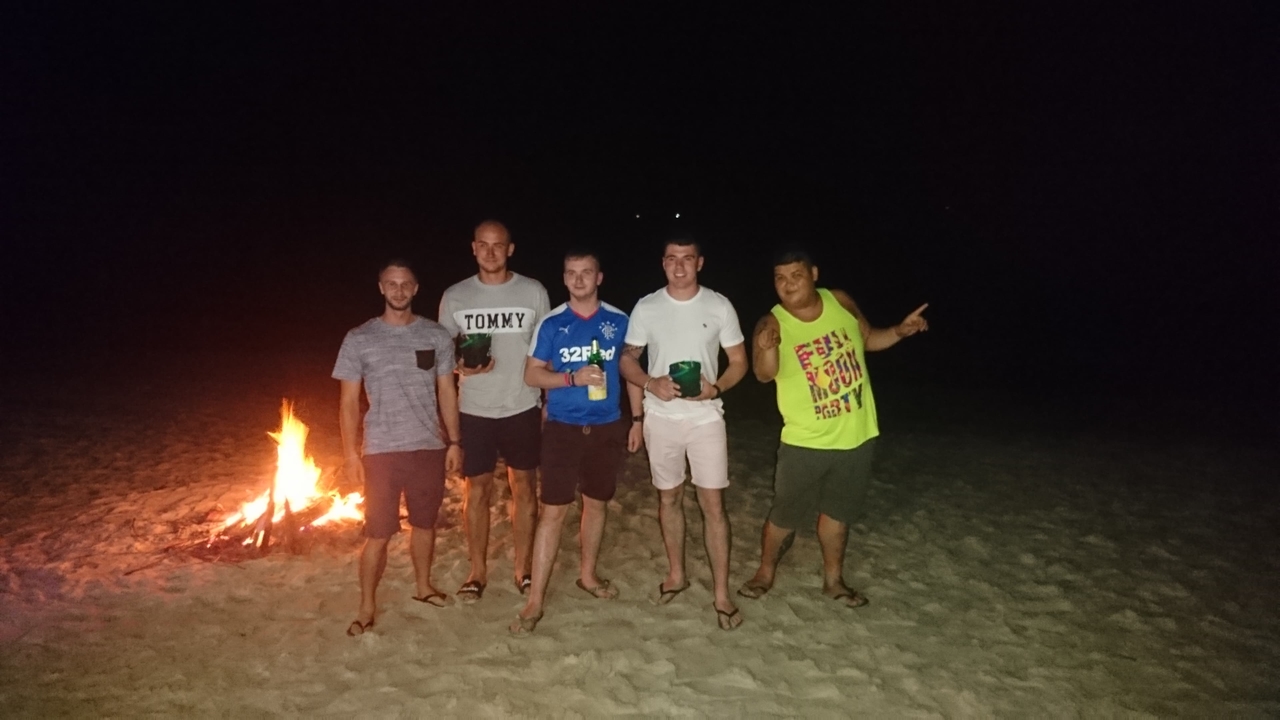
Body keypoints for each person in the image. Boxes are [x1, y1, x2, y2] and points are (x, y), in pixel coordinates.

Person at [739, 248, 928, 608]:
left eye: (795, 275)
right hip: (805, 441)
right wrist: (765, 348)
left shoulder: (839, 300)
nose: (787, 284)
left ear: (813, 274)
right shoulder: (772, 322)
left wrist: (900, 332)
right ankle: (764, 572)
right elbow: (764, 374)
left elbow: (868, 339)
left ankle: (833, 581)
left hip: (857, 435)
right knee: (784, 516)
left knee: (838, 515)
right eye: (779, 278)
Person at [508, 250, 645, 635]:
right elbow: (532, 375)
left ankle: (588, 576)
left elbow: (629, 370)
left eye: (587, 273)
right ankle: (535, 601)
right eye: (572, 273)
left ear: (599, 277)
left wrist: (637, 420)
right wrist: (571, 379)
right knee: (553, 511)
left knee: (597, 505)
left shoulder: (618, 321)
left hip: (607, 427)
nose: (579, 279)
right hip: (563, 429)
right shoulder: (553, 323)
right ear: (564, 278)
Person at [618, 238, 749, 631]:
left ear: (700, 263)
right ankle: (677, 574)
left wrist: (717, 388)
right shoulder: (647, 306)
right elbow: (627, 358)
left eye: (687, 259)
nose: (679, 267)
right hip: (661, 417)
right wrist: (649, 383)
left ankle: (722, 593)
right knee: (669, 497)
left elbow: (739, 361)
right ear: (663, 263)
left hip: (706, 417)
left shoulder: (719, 305)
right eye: (672, 260)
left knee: (713, 505)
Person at [333, 259, 463, 637]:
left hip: (427, 447)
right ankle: (367, 606)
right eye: (392, 284)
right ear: (381, 288)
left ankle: (423, 587)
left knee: (425, 523)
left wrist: (454, 441)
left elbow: (447, 391)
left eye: (406, 284)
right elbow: (346, 403)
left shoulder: (436, 335)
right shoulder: (359, 338)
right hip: (380, 452)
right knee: (378, 533)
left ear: (416, 288)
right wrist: (350, 455)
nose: (399, 290)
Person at [439, 220, 550, 603]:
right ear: (473, 248)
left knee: (524, 488)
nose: (490, 252)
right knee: (477, 490)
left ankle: (523, 568)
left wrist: (549, 403)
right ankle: (477, 571)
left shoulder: (532, 291)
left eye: (498, 245)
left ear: (510, 249)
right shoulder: (455, 296)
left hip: (521, 404)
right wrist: (460, 365)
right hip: (475, 409)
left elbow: (546, 347)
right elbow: (442, 353)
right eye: (483, 245)